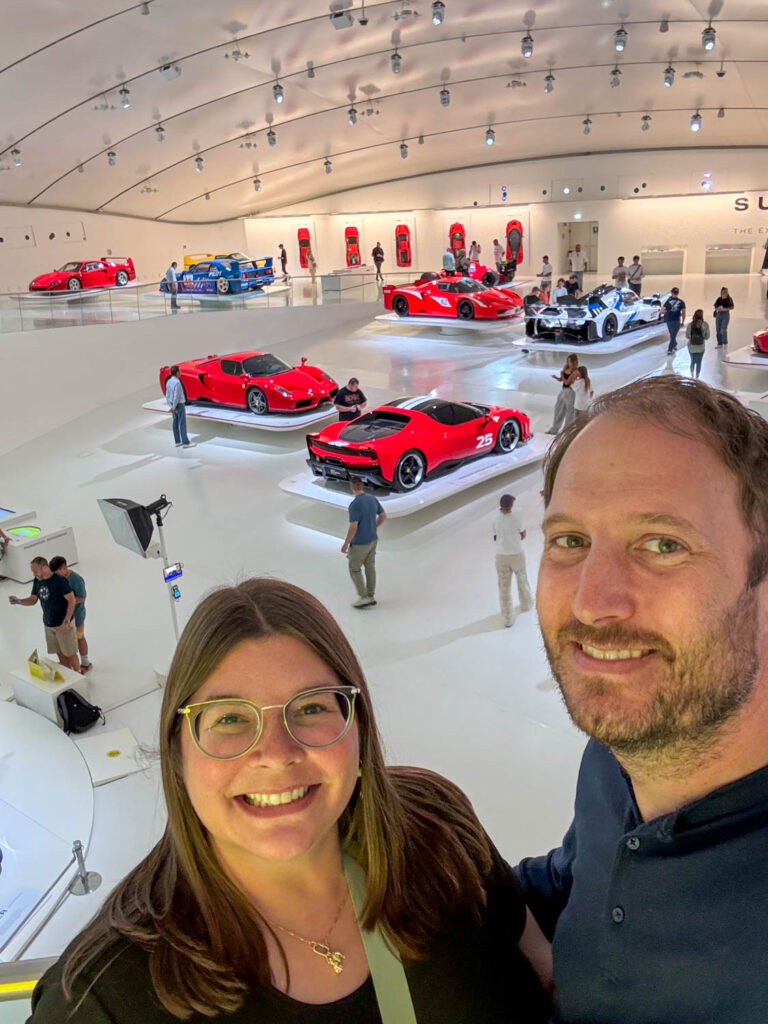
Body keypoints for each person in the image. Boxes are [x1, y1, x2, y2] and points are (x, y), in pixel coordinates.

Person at [30, 577, 552, 1023]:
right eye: (230, 718)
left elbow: (546, 977)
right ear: (177, 750)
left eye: (311, 708)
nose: (276, 754)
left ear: (359, 725)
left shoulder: (436, 829)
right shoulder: (103, 998)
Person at [518, 376, 768, 1024]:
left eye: (663, 544)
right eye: (569, 540)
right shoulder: (621, 751)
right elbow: (572, 882)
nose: (591, 604)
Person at [8, 556, 79, 672]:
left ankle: (78, 674)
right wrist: (19, 601)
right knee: (59, 652)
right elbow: (33, 599)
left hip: (63, 624)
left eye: (35, 571)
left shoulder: (59, 581)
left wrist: (66, 622)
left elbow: (72, 601)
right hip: (49, 624)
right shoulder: (38, 581)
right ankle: (68, 675)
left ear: (45, 568)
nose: (34, 574)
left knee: (70, 653)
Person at [341, 477, 385, 608]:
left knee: (354, 569)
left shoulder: (354, 505)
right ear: (362, 486)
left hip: (360, 543)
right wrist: (374, 527)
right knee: (370, 567)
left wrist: (346, 543)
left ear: (351, 487)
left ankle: (363, 596)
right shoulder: (372, 499)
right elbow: (383, 516)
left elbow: (353, 526)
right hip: (373, 539)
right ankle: (371, 594)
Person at [492, 494, 533, 628]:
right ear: (511, 506)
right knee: (522, 580)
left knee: (504, 587)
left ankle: (508, 618)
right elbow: (523, 534)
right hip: (517, 554)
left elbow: (495, 536)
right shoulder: (517, 518)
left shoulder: (496, 519)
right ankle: (526, 604)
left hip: (501, 557)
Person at [49, 555, 91, 673]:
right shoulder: (57, 579)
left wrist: (67, 601)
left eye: (57, 573)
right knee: (66, 641)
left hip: (77, 616)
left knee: (79, 638)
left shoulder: (76, 580)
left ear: (64, 568)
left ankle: (85, 662)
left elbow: (82, 598)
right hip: (64, 617)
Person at [546, 354, 579, 433]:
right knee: (559, 409)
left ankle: (567, 430)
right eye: (567, 361)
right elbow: (561, 380)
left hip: (570, 392)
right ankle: (555, 429)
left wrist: (562, 375)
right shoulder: (566, 369)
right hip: (563, 390)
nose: (568, 363)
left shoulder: (575, 372)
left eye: (569, 361)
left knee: (569, 411)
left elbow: (567, 383)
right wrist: (556, 377)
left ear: (574, 362)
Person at [165, 365, 194, 448]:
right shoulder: (177, 382)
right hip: (179, 405)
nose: (180, 373)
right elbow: (176, 396)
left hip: (172, 405)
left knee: (175, 422)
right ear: (177, 372)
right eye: (180, 371)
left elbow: (167, 395)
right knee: (182, 423)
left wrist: (170, 406)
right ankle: (186, 442)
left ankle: (177, 441)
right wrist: (174, 407)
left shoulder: (168, 382)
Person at [685, 308, 709, 378]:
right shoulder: (705, 325)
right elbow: (707, 337)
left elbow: (687, 336)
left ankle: (692, 376)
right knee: (699, 363)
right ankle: (697, 378)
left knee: (692, 361)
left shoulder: (690, 325)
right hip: (701, 347)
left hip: (691, 347)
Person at [663, 286, 686, 356]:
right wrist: (683, 322)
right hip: (676, 321)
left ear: (671, 292)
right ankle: (675, 344)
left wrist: (663, 313)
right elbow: (683, 313)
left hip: (669, 320)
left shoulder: (667, 301)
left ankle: (670, 349)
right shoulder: (681, 302)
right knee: (672, 335)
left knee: (672, 336)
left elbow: (663, 310)